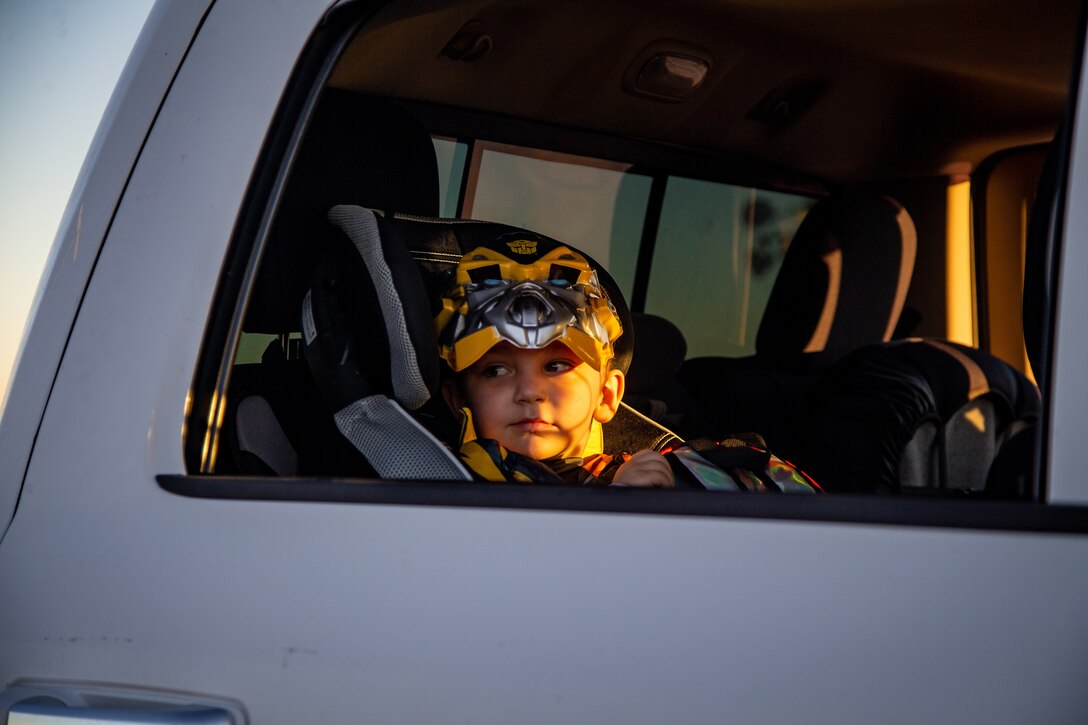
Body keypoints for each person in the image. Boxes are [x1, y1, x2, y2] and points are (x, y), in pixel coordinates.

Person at [434, 235, 674, 487]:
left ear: (606, 394)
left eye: (556, 366)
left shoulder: (646, 476)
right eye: (496, 371)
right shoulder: (437, 485)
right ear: (457, 398)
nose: (529, 392)